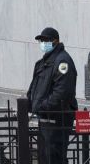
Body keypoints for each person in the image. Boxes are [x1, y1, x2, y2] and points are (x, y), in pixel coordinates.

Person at [27, 26, 78, 164]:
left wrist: (41, 107)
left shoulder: (63, 62)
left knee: (54, 157)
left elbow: (62, 93)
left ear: (55, 41)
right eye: (41, 40)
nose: (43, 43)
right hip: (44, 119)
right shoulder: (43, 62)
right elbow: (34, 87)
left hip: (57, 119)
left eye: (46, 40)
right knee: (45, 157)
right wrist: (29, 104)